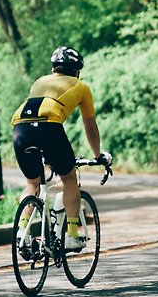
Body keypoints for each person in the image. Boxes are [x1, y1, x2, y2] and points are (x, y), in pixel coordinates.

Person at [10, 46, 111, 252]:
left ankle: (22, 232)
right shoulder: (81, 87)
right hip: (49, 128)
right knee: (69, 178)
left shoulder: (40, 81)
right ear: (77, 71)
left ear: (53, 69)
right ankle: (72, 235)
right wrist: (97, 155)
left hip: (20, 129)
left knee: (32, 183)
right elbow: (91, 128)